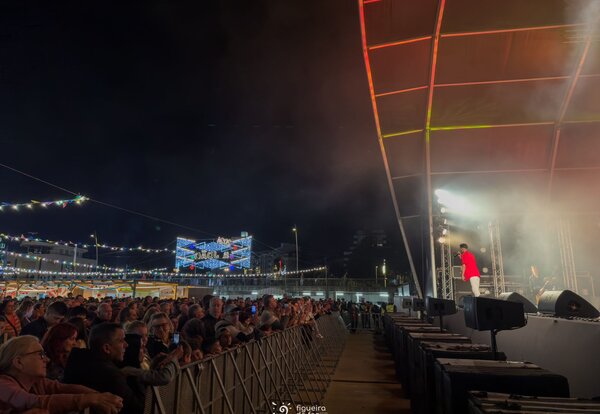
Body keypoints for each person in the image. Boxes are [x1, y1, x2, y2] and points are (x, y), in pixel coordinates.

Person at [0, 335, 123, 414]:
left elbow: (61, 388)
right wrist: (89, 399)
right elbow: (34, 402)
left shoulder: (35, 382)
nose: (47, 359)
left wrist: (98, 397)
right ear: (19, 362)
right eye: (40, 354)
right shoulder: (3, 385)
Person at [63, 322, 145, 414]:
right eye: (121, 341)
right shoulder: (112, 375)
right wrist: (136, 369)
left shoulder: (78, 359)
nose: (126, 345)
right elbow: (139, 408)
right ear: (106, 348)